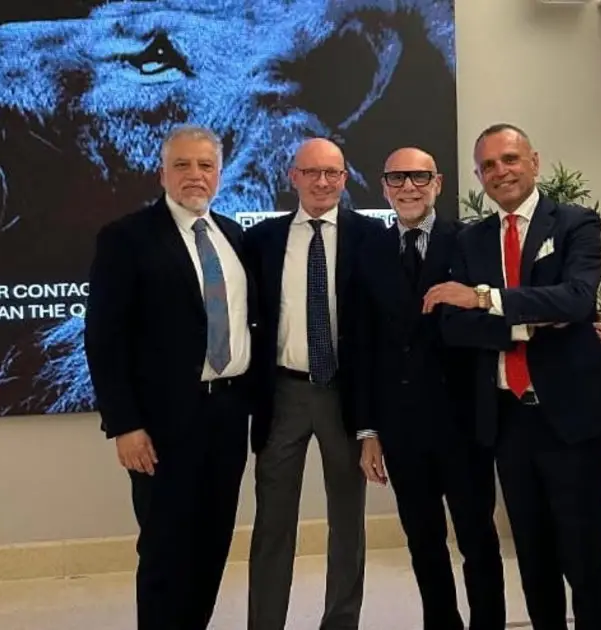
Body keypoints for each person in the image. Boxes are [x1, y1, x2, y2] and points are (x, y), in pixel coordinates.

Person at [424, 123, 601, 630]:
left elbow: (577, 299)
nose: (501, 172)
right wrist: (528, 325)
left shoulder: (574, 223)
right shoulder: (471, 239)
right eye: (488, 166)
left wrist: (485, 299)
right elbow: (453, 326)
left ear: (534, 162)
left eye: (510, 159)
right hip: (507, 419)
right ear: (479, 176)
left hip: (573, 417)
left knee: (583, 555)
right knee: (532, 553)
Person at [84, 124, 254, 630]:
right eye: (182, 165)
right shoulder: (126, 238)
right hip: (160, 426)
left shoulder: (234, 237)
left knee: (212, 543)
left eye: (205, 165)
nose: (194, 175)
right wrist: (124, 424)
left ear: (219, 174)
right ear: (162, 173)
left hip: (228, 415)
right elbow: (104, 338)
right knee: (165, 550)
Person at [351, 147, 506, 630]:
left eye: (419, 177)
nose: (408, 187)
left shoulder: (469, 241)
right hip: (401, 428)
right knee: (423, 541)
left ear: (437, 183)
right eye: (397, 178)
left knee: (477, 539)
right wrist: (368, 431)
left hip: (464, 423)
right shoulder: (370, 249)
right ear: (384, 188)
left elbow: (498, 317)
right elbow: (362, 345)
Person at [244, 137, 384, 630]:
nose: (323, 182)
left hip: (345, 396)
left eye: (333, 173)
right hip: (283, 395)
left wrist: (372, 421)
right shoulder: (262, 240)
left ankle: (341, 622)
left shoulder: (372, 237)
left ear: (344, 179)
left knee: (347, 522)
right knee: (272, 522)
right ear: (293, 177)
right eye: (312, 172)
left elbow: (383, 327)